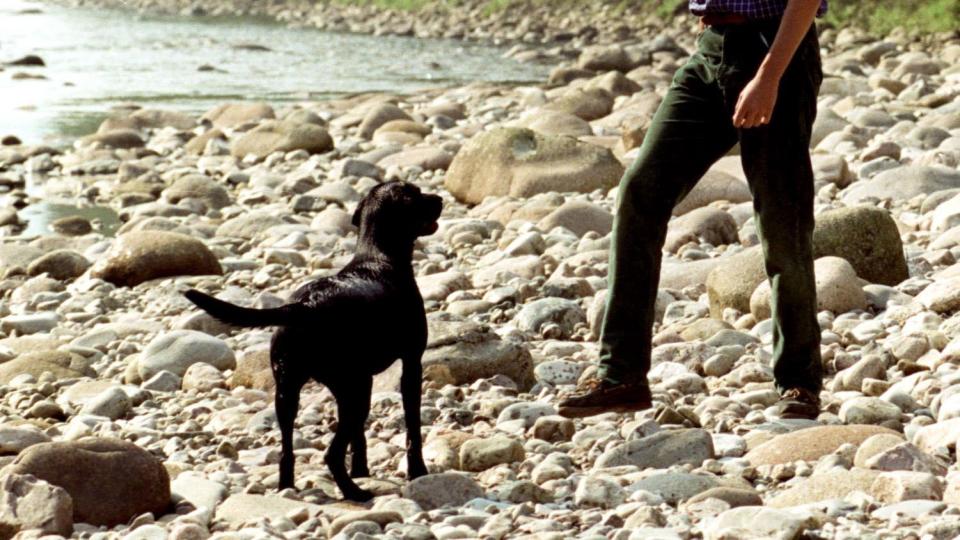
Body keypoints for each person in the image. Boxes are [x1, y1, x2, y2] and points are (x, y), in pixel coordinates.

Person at [558, 0, 827, 420]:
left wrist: (768, 77)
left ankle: (799, 381)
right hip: (711, 50)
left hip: (776, 52)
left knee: (782, 219)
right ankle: (621, 375)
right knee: (639, 194)